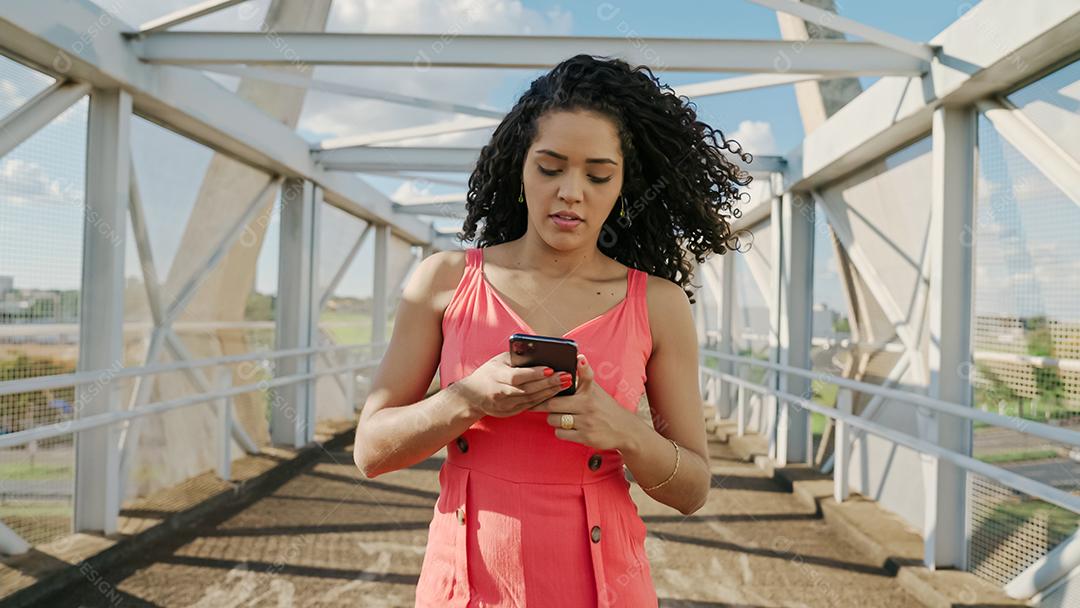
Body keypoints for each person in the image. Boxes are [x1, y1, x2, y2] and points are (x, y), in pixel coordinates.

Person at [353, 53, 753, 607]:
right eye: (550, 167)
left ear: (624, 185)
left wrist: (624, 430)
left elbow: (693, 491)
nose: (571, 191)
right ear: (520, 168)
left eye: (598, 175)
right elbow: (370, 452)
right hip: (462, 590)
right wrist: (467, 398)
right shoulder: (443, 280)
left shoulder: (658, 304)